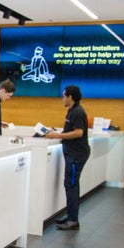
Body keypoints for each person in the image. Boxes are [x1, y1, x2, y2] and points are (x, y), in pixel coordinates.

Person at [45, 85, 90, 231]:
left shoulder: (77, 112)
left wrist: (57, 135)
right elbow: (70, 131)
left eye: (64, 96)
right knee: (70, 184)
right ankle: (71, 216)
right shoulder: (71, 111)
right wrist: (57, 132)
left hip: (76, 155)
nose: (62, 98)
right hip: (72, 153)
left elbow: (78, 133)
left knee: (71, 185)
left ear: (70, 96)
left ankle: (72, 220)